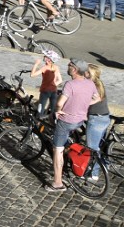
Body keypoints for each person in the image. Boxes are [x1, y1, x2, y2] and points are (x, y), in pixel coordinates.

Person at [49, 59, 98, 192]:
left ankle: (57, 183)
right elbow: (97, 98)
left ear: (75, 69)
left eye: (70, 65)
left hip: (66, 121)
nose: (68, 66)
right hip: (80, 120)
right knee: (67, 140)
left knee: (57, 150)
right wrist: (82, 104)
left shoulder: (70, 84)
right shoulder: (90, 83)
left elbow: (60, 103)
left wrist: (57, 110)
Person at [85, 64, 111, 180]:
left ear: (89, 74)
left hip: (96, 119)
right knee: (99, 145)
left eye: (85, 71)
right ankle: (104, 164)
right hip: (104, 117)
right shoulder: (99, 83)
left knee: (93, 148)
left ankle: (93, 173)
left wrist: (82, 103)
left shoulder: (92, 85)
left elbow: (96, 99)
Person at [30, 49, 62, 118]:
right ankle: (52, 123)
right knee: (53, 109)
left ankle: (38, 122)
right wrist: (53, 85)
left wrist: (36, 64)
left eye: (46, 56)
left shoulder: (44, 68)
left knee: (40, 108)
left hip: (45, 91)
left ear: (49, 59)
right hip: (54, 91)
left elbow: (32, 75)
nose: (44, 57)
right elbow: (60, 80)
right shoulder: (56, 67)